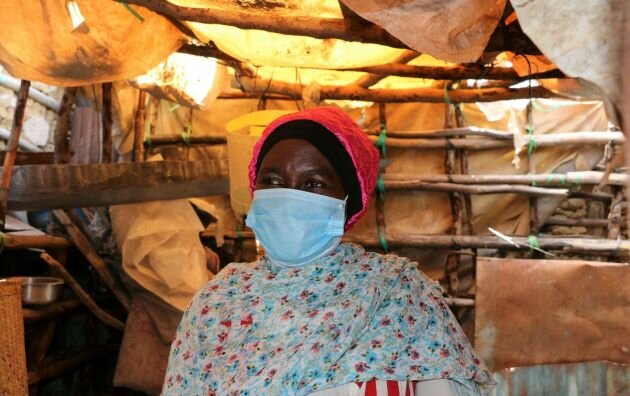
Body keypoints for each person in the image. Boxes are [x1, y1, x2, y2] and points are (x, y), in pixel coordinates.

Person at [162, 107, 494, 395]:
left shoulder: (398, 295)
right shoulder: (217, 304)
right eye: (273, 181)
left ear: (348, 204)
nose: (289, 197)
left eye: (314, 184)